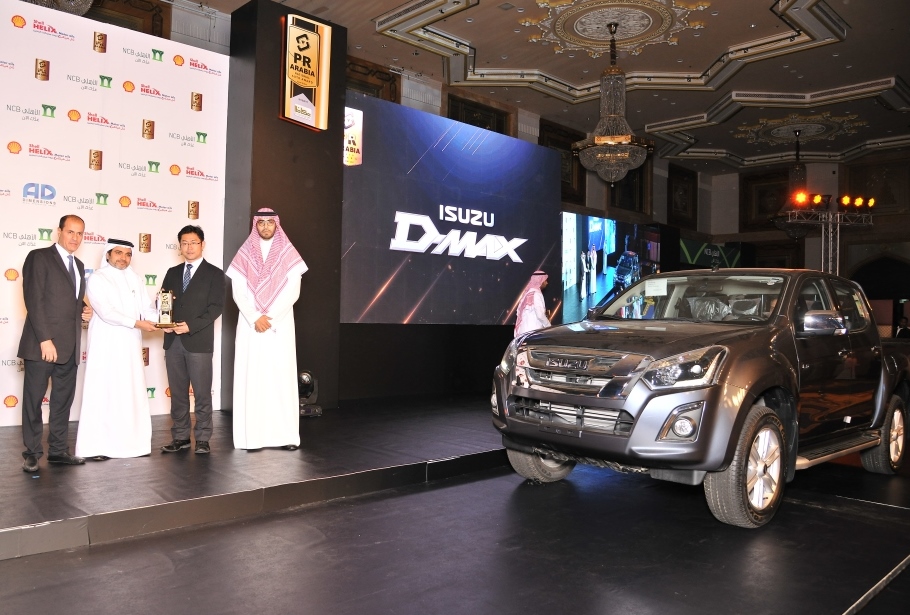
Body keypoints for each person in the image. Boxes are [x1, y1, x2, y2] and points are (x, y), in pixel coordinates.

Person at [227, 209, 308, 450]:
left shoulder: (288, 253)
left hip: (278, 325)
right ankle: (252, 438)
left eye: (269, 222)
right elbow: (238, 291)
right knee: (252, 377)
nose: (265, 226)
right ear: (255, 225)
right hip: (250, 325)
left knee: (279, 377)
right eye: (261, 222)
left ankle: (286, 437)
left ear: (276, 225)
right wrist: (255, 317)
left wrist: (269, 318)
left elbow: (293, 291)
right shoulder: (244, 254)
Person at [17, 215, 93, 473]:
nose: (75, 238)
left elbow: (68, 298)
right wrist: (44, 339)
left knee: (62, 402)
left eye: (80, 233)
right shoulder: (39, 257)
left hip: (69, 347)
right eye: (70, 232)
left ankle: (58, 450)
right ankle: (32, 453)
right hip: (42, 345)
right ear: (59, 231)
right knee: (33, 401)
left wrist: (83, 309)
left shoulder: (78, 264)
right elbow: (34, 300)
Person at [75, 239, 160, 460]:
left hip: (130, 344)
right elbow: (106, 312)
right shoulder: (97, 278)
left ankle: (132, 445)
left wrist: (161, 319)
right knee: (103, 390)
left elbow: (146, 309)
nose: (123, 258)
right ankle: (96, 447)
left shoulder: (135, 278)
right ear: (108, 255)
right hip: (105, 344)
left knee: (128, 390)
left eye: (128, 254)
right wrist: (137, 323)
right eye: (118, 253)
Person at [159, 225, 225, 455]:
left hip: (198, 341)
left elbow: (216, 307)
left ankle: (203, 438)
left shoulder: (215, 274)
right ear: (180, 246)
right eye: (184, 243)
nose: (189, 247)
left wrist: (191, 325)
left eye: (193, 242)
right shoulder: (172, 272)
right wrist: (164, 320)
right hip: (172, 341)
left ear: (202, 244)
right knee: (177, 393)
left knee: (202, 393)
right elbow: (164, 303)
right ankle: (180, 437)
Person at [514, 270, 550, 337]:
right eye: (545, 280)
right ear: (540, 281)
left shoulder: (528, 293)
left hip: (524, 332)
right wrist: (549, 326)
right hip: (533, 333)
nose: (547, 283)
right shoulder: (536, 294)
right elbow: (540, 315)